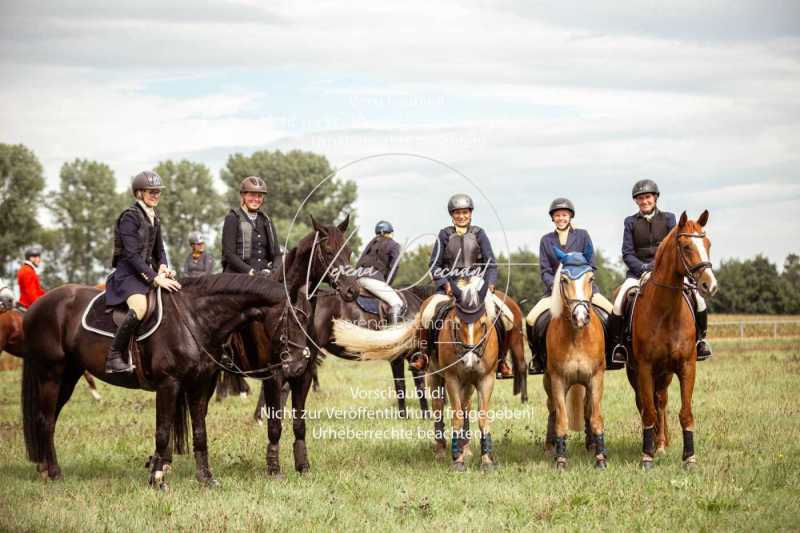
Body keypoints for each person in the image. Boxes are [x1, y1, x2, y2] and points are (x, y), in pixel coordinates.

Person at [608, 179, 712, 363]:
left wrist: (658, 266)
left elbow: (673, 247)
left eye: (647, 197)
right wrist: (642, 268)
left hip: (667, 272)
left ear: (655, 198)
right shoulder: (630, 222)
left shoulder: (669, 219)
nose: (644, 201)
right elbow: (627, 252)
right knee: (619, 301)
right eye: (640, 198)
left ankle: (701, 341)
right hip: (638, 272)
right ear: (636, 201)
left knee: (699, 298)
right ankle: (619, 346)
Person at [417, 193, 508, 375]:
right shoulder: (444, 234)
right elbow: (434, 266)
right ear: (452, 215)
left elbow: (491, 263)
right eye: (457, 213)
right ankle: (424, 355)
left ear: (470, 214)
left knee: (503, 315)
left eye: (465, 212)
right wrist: (445, 284)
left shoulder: (479, 233)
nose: (461, 216)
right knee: (427, 314)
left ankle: (501, 359)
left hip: (476, 285)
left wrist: (490, 283)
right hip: (451, 286)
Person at [524, 198, 615, 374]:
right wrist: (558, 288)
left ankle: (611, 353)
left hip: (584, 291)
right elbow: (545, 271)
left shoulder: (582, 235)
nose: (561, 218)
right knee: (531, 319)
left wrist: (582, 284)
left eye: (564, 215)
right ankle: (538, 357)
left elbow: (592, 266)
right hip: (555, 293)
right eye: (557, 215)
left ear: (570, 216)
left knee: (612, 313)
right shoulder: (546, 240)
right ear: (553, 218)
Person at [104, 170, 181, 373]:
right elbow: (131, 255)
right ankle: (113, 357)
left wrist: (164, 266)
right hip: (128, 275)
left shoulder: (154, 217)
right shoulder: (130, 217)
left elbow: (160, 250)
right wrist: (155, 278)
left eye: (158, 192)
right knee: (139, 307)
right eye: (151, 192)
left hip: (147, 273)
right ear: (139, 193)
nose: (156, 195)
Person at [221, 176, 281, 275]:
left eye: (259, 196)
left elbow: (277, 254)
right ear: (243, 195)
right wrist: (251, 271)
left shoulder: (267, 220)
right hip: (238, 275)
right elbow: (229, 254)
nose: (256, 199)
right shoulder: (232, 218)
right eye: (252, 195)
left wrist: (274, 271)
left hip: (264, 274)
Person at [355, 220, 404, 325]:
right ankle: (394, 332)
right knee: (397, 303)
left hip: (357, 278)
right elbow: (394, 267)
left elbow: (359, 262)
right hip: (372, 280)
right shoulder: (393, 244)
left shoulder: (370, 244)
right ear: (390, 233)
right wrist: (387, 284)